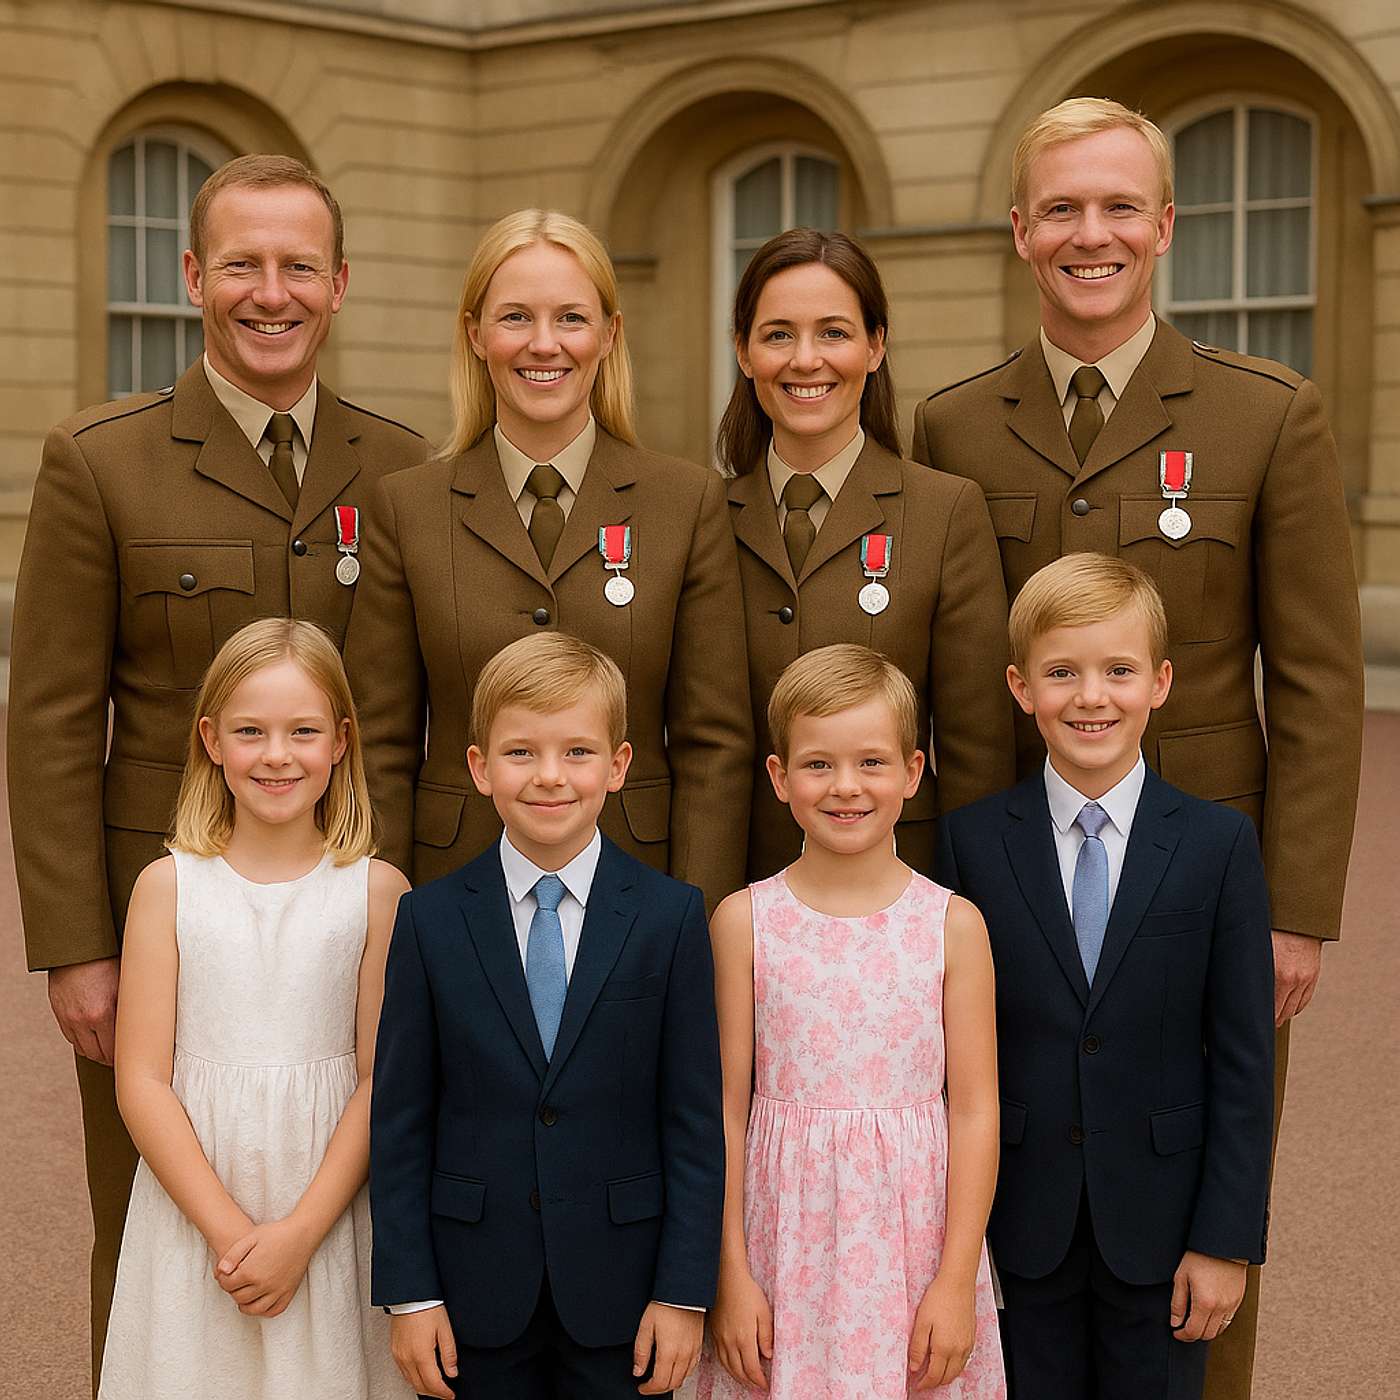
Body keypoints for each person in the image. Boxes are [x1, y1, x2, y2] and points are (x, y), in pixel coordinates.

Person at [910, 98, 1364, 1395]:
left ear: (1164, 227)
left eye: (1119, 206)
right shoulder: (952, 426)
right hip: (1002, 898)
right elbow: (947, 684)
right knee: (1012, 1202)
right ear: (1018, 232)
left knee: (1196, 1220)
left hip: (1199, 895)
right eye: (1061, 207)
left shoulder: (1265, 415)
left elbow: (1322, 683)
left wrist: (1298, 909)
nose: (1089, 233)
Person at [7, 152, 424, 1388]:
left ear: (339, 283)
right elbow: (50, 718)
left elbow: (397, 712)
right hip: (172, 938)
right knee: (149, 1233)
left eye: (299, 265)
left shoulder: (401, 464)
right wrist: (77, 942)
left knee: (353, 1232)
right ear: (192, 276)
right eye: (241, 263)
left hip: (351, 926)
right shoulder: (102, 459)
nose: (270, 292)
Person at [936, 555, 1275, 1400]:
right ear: (1022, 688)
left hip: (1163, 1226)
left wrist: (1225, 1240)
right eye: (1062, 673)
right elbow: (947, 1054)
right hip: (1018, 1219)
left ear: (1160, 682)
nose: (1092, 697)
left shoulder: (1217, 846)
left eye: (1119, 671)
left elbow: (1241, 1059)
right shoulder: (972, 843)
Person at [346, 208, 751, 912]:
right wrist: (391, 915)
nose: (543, 344)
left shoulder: (685, 501)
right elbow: (379, 745)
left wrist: (696, 916)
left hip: (640, 886)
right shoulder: (406, 507)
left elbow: (713, 744)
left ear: (609, 334)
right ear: (475, 333)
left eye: (570, 317)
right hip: (451, 887)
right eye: (514, 318)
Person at [370, 632, 724, 1399]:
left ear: (619, 766)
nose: (550, 777)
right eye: (521, 753)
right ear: (479, 767)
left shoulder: (671, 916)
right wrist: (412, 1294)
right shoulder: (428, 921)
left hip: (625, 1294)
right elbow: (401, 1119)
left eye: (578, 752)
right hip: (471, 1295)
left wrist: (683, 1291)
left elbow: (692, 1119)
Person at [97, 619, 411, 1400]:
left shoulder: (377, 893)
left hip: (328, 1207)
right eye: (251, 731)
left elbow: (382, 1081)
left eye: (302, 731)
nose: (277, 755)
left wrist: (300, 1235)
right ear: (211, 739)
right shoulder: (167, 889)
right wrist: (231, 1235)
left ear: (340, 742)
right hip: (196, 1209)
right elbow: (141, 1080)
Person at [695, 644, 1005, 1399]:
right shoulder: (743, 923)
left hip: (913, 1252)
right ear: (778, 777)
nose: (845, 787)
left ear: (912, 772)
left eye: (871, 762)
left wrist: (956, 1280)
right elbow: (726, 1112)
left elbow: (974, 1110)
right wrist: (730, 1273)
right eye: (818, 765)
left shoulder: (952, 926)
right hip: (780, 1250)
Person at [720, 229, 1013, 879]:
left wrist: (964, 917)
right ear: (743, 352)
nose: (805, 360)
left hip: (903, 889)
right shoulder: (701, 517)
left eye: (833, 332)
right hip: (744, 892)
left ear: (875, 346)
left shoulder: (945, 513)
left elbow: (978, 754)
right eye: (777, 335)